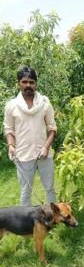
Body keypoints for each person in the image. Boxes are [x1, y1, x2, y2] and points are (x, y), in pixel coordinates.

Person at [3, 66, 57, 206]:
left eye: (31, 82)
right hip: (23, 155)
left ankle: (53, 218)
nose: (28, 85)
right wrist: (11, 146)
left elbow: (52, 128)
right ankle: (26, 224)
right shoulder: (11, 106)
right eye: (24, 82)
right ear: (18, 83)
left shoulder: (45, 103)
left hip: (44, 154)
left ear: (36, 84)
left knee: (50, 189)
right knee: (25, 191)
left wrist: (46, 147)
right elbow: (9, 129)